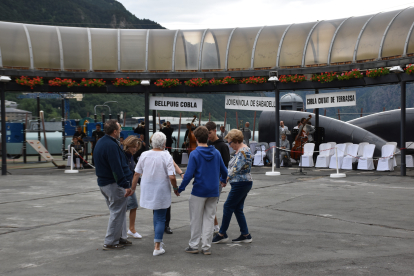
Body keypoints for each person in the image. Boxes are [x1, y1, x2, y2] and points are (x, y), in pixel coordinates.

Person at [177, 126, 228, 255]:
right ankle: (206, 246)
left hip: (199, 191)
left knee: (195, 218)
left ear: (195, 138)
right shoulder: (216, 152)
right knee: (209, 218)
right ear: (208, 137)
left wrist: (180, 189)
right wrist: (223, 180)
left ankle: (194, 245)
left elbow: (188, 175)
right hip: (213, 190)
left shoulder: (195, 153)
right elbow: (225, 171)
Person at [131, 132, 178, 256]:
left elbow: (136, 173)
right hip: (161, 189)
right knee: (161, 217)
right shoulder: (166, 156)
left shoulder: (144, 154)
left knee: (156, 215)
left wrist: (133, 188)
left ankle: (157, 242)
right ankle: (157, 245)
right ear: (164, 143)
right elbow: (172, 176)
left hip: (148, 189)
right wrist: (175, 188)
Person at [94, 120, 134, 250]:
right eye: (119, 128)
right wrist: (126, 184)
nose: (121, 130)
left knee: (119, 210)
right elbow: (116, 167)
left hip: (104, 182)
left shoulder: (101, 142)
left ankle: (120, 237)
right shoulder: (111, 145)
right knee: (117, 211)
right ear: (115, 131)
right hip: (112, 183)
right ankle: (110, 241)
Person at [212, 129, 253, 244]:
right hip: (242, 183)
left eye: (230, 143)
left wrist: (225, 178)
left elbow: (235, 168)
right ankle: (246, 234)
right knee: (237, 208)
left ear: (236, 141)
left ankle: (222, 233)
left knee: (228, 206)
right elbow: (233, 167)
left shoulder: (243, 151)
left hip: (241, 183)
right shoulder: (241, 150)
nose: (229, 146)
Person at [206, 122, 230, 233]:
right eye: (207, 133)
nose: (208, 135)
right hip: (206, 178)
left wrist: (224, 179)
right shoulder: (206, 143)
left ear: (215, 131)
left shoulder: (222, 146)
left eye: (209, 133)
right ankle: (215, 226)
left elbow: (226, 164)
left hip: (217, 179)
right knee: (209, 204)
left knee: (212, 204)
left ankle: (213, 226)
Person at [123, 135, 143, 239]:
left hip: (130, 184)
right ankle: (129, 229)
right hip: (126, 185)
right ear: (128, 145)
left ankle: (131, 229)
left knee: (133, 206)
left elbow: (133, 172)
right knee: (126, 207)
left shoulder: (130, 156)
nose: (135, 149)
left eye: (136, 147)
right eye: (133, 146)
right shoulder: (124, 156)